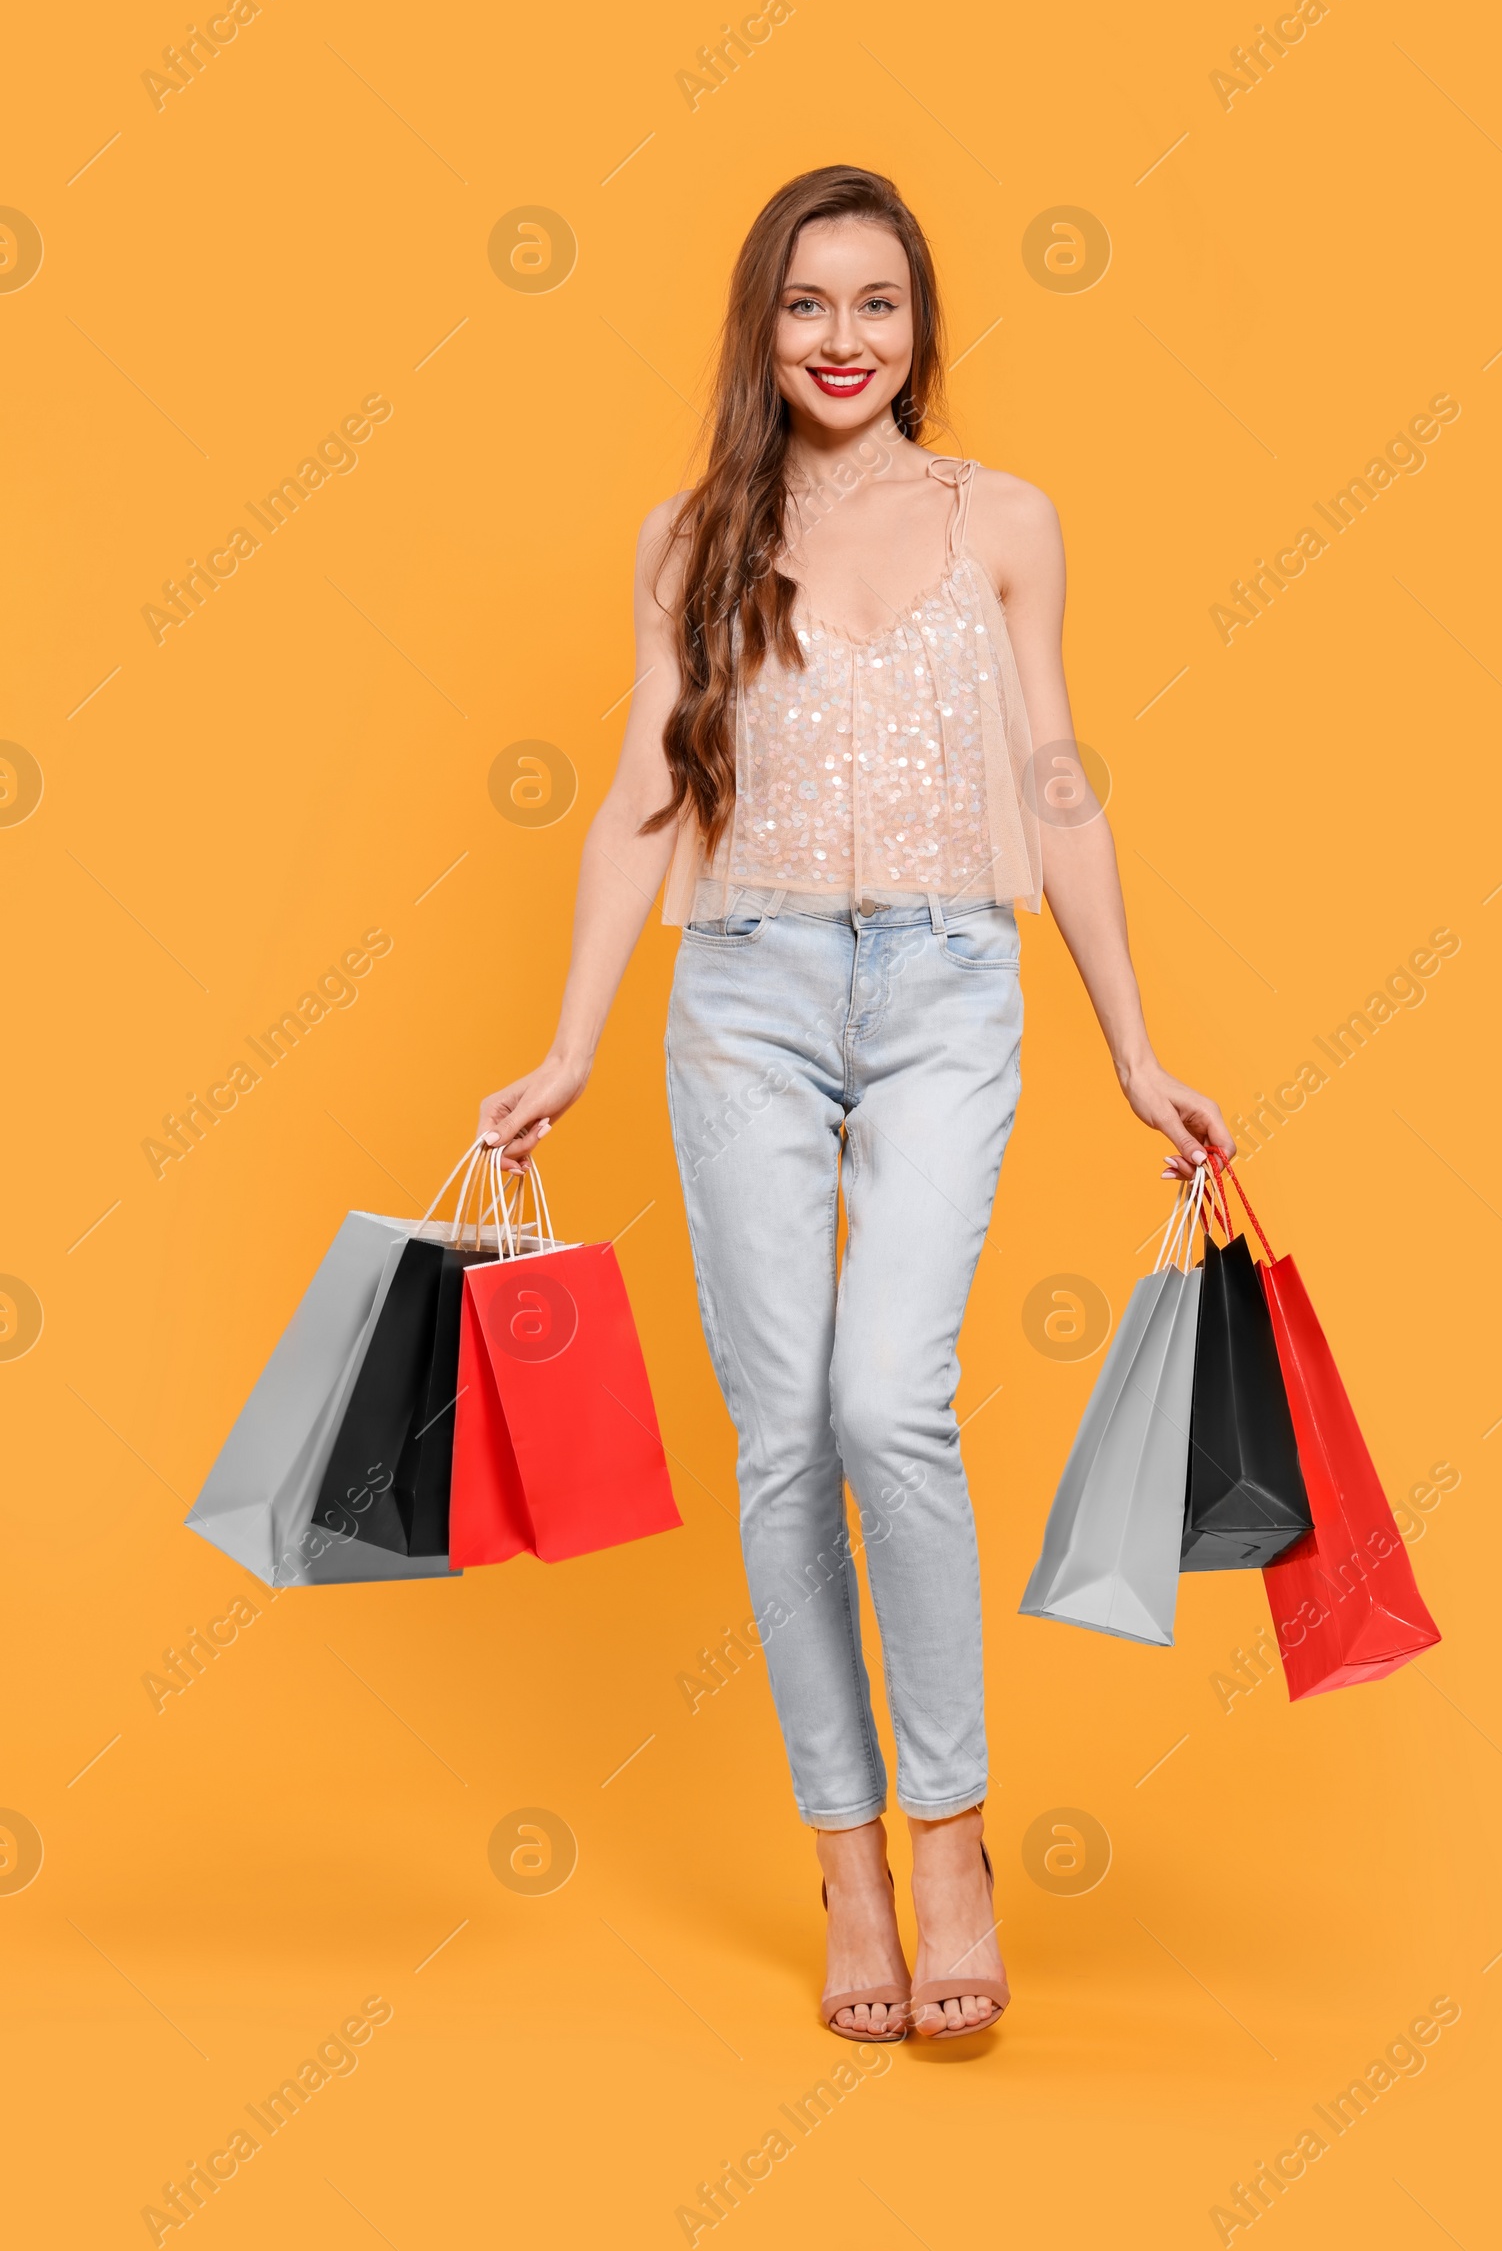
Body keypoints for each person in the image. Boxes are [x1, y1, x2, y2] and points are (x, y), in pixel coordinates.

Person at [480, 165, 1232, 2043]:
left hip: (947, 987)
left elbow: (1056, 782)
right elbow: (646, 795)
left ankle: (955, 1837)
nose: (843, 340)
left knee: (891, 1395)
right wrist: (570, 1041)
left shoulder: (1006, 524)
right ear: (764, 323)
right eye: (808, 305)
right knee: (783, 1434)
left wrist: (1137, 1048)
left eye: (877, 303)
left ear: (922, 322)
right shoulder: (695, 538)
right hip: (741, 992)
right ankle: (847, 1869)